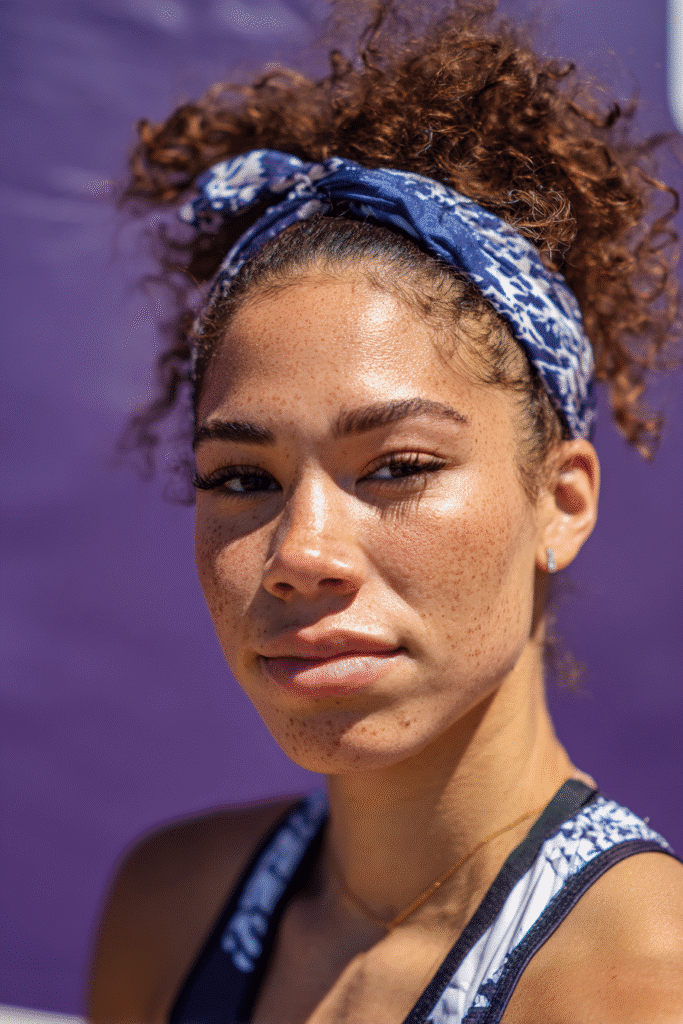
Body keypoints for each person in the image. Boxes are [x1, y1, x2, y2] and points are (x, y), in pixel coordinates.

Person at [88, 2, 683, 1021]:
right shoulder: (166, 907)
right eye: (241, 478)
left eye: (396, 465)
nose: (300, 553)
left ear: (561, 500)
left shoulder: (642, 983)